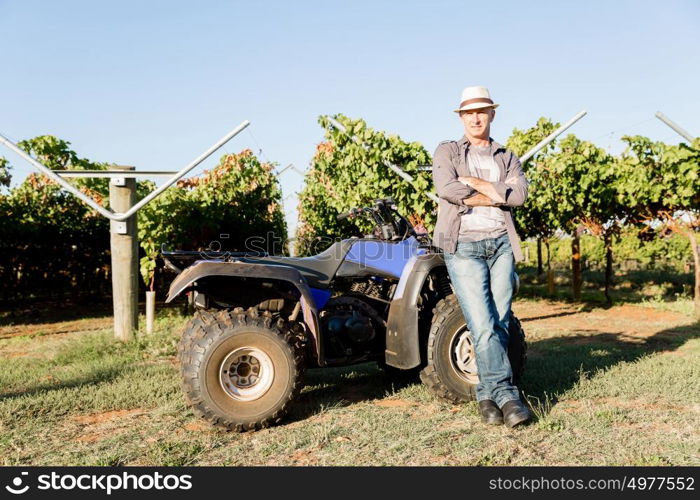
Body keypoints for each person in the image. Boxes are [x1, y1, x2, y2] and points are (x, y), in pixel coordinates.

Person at [431, 85, 531, 428]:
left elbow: (518, 196)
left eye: (482, 111)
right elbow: (447, 189)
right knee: (483, 323)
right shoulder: (447, 151)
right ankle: (506, 393)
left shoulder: (507, 156)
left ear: (492, 114)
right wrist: (495, 192)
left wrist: (476, 186)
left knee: (500, 321)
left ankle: (486, 393)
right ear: (462, 117)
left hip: (501, 243)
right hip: (463, 246)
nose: (475, 117)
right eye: (468, 113)